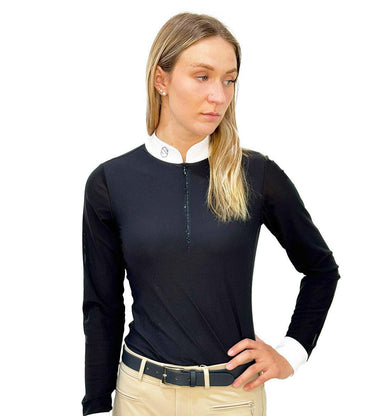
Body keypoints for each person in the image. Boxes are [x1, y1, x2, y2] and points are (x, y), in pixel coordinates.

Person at [81, 12, 340, 416]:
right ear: (161, 79)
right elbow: (102, 305)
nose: (218, 95)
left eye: (229, 80)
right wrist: (97, 405)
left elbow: (321, 269)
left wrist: (291, 352)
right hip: (139, 397)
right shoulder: (110, 181)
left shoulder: (256, 175)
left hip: (232, 397)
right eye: (202, 76)